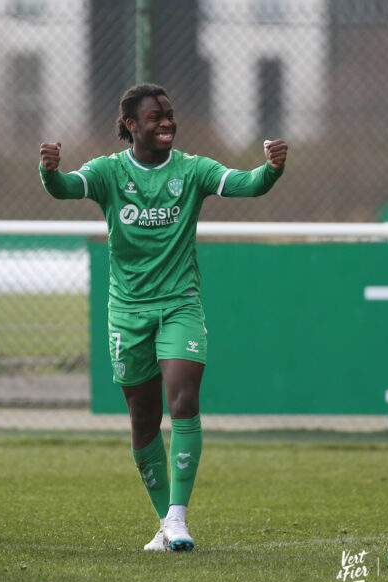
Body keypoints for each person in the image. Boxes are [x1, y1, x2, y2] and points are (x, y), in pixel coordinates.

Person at [38, 84, 287, 552]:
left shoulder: (192, 170)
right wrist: (48, 170)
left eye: (170, 115)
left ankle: (178, 515)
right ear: (131, 125)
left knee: (184, 398)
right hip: (127, 310)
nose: (167, 122)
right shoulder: (110, 172)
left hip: (179, 302)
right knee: (143, 417)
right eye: (156, 117)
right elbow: (65, 187)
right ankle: (165, 523)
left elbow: (245, 184)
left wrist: (271, 168)